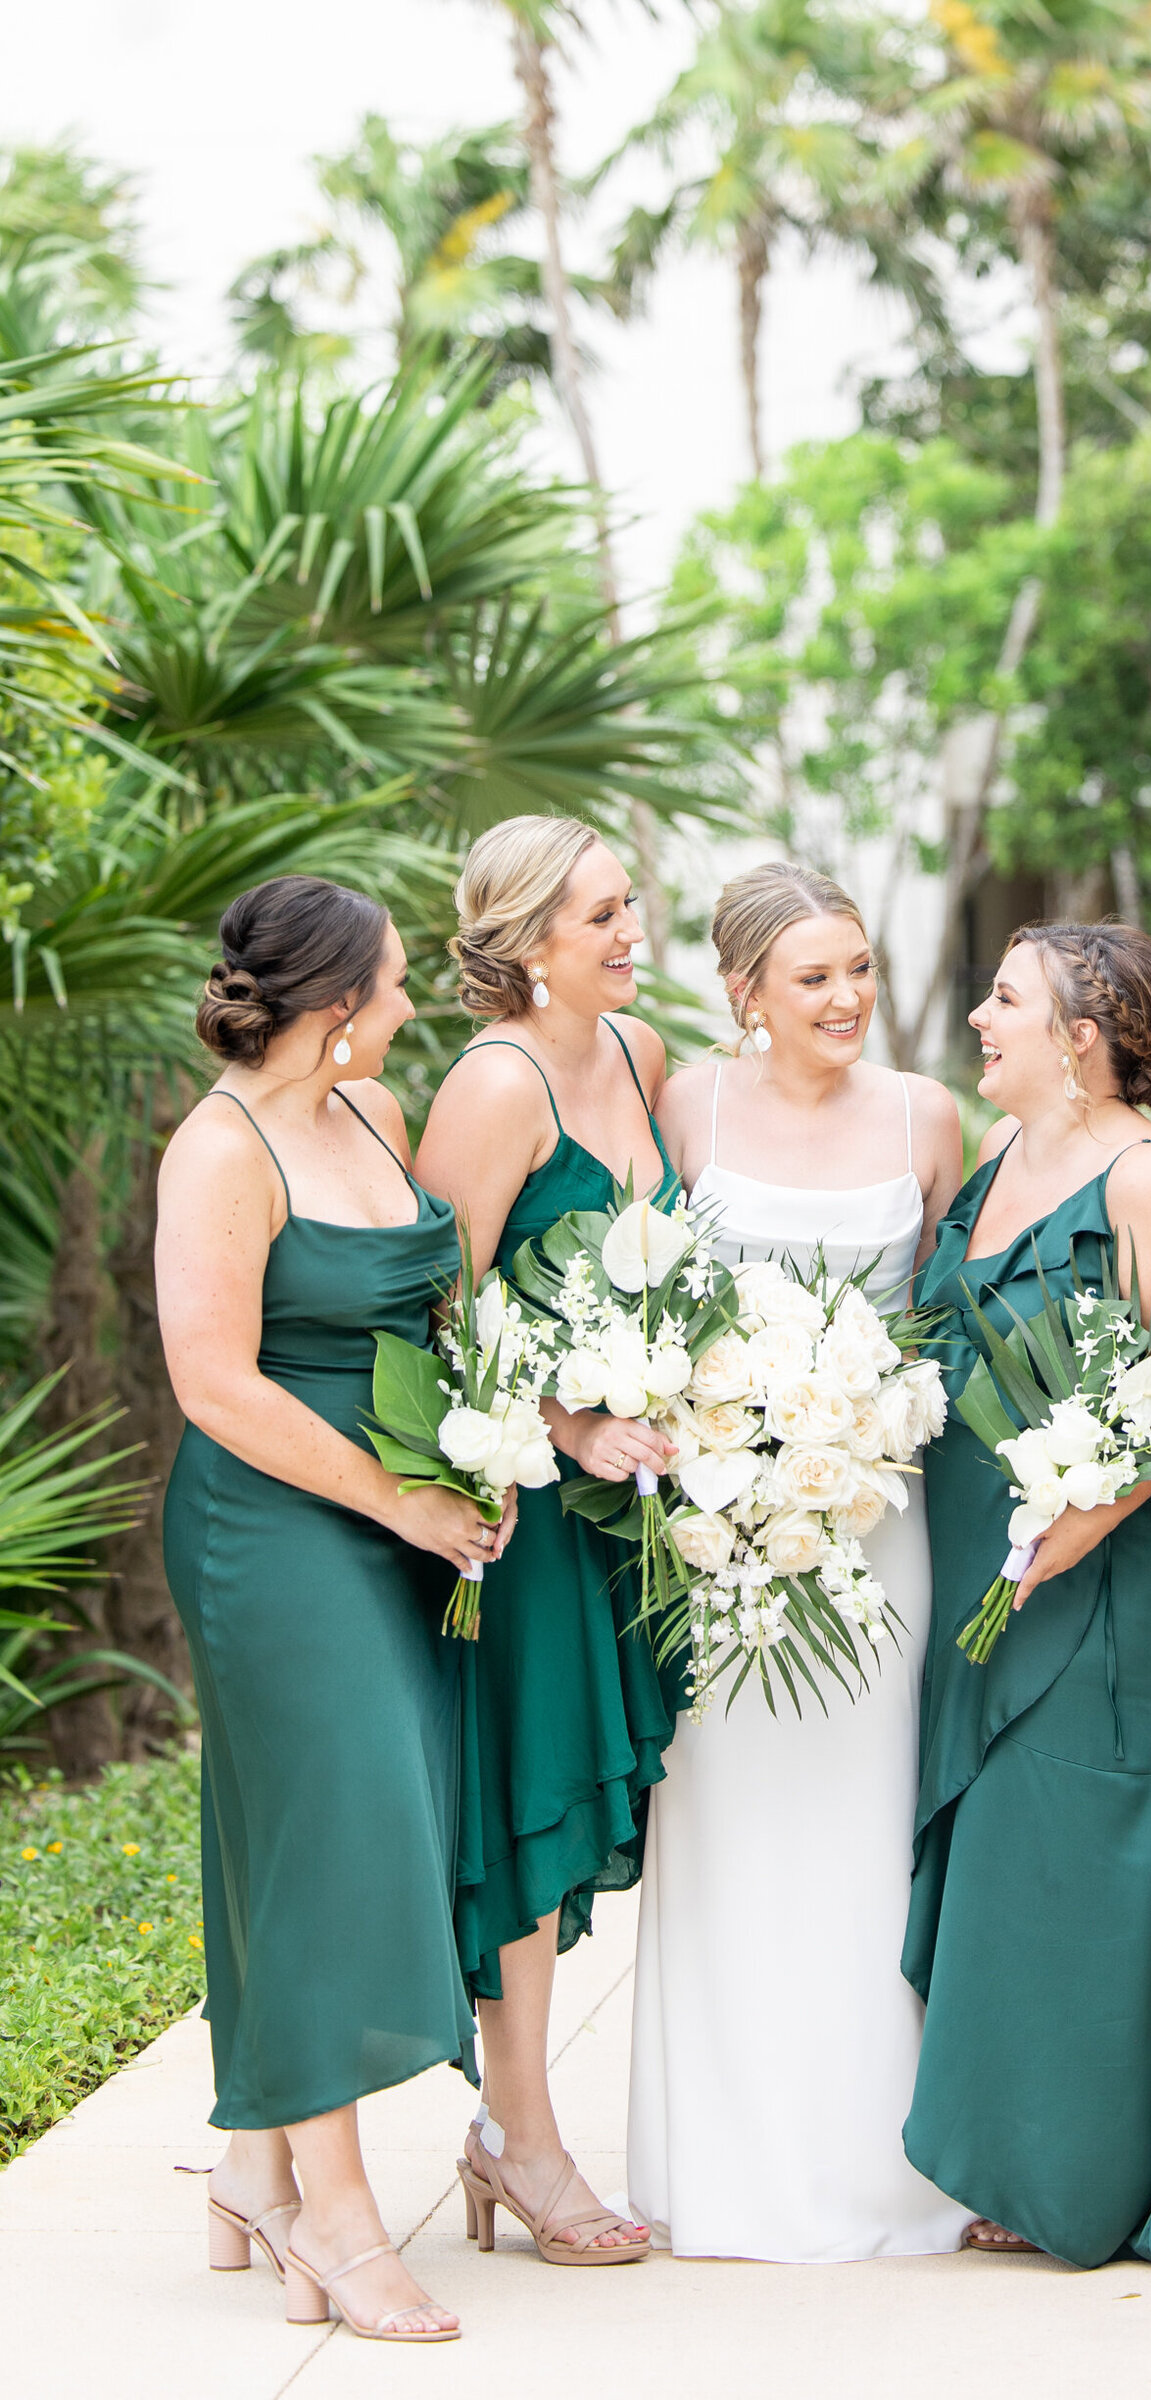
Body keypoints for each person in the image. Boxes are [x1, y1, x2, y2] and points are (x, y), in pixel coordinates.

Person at [158, 876, 494, 2344]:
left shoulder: (373, 1115)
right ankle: (336, 2218)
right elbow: (215, 1382)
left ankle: (251, 2166)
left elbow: (431, 1314)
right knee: (329, 1845)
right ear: (337, 1003)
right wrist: (398, 1495)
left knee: (329, 1832)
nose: (416, 1002)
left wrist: (487, 1446)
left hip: (400, 1515)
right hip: (274, 1527)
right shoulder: (218, 1148)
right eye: (402, 981)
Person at [625, 860, 971, 2262]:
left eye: (860, 970)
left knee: (866, 1837)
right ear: (745, 994)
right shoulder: (684, 1107)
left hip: (881, 1534)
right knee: (727, 1842)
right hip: (721, 1543)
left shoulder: (928, 1116)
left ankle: (892, 2171)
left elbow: (946, 1314)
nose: (847, 999)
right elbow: (642, 1294)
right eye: (813, 976)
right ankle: (720, 2171)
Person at [902, 922, 1151, 2274]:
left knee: (1086, 1865)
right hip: (989, 1575)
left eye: (1006, 1000)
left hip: (1109, 1583)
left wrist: (1084, 1520)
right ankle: (1008, 2156)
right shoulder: (995, 1165)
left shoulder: (1150, 1180)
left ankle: (1086, 2184)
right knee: (1004, 1868)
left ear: (1081, 1040)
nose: (981, 1018)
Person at [414, 815, 671, 2265]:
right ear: (523, 947)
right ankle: (521, 2137)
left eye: (629, 904)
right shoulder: (496, 1086)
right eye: (598, 917)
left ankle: (519, 2131)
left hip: (634, 1509)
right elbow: (443, 1308)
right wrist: (566, 1428)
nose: (631, 932)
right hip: (527, 1514)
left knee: (581, 1805)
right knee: (533, 1812)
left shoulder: (635, 1059)